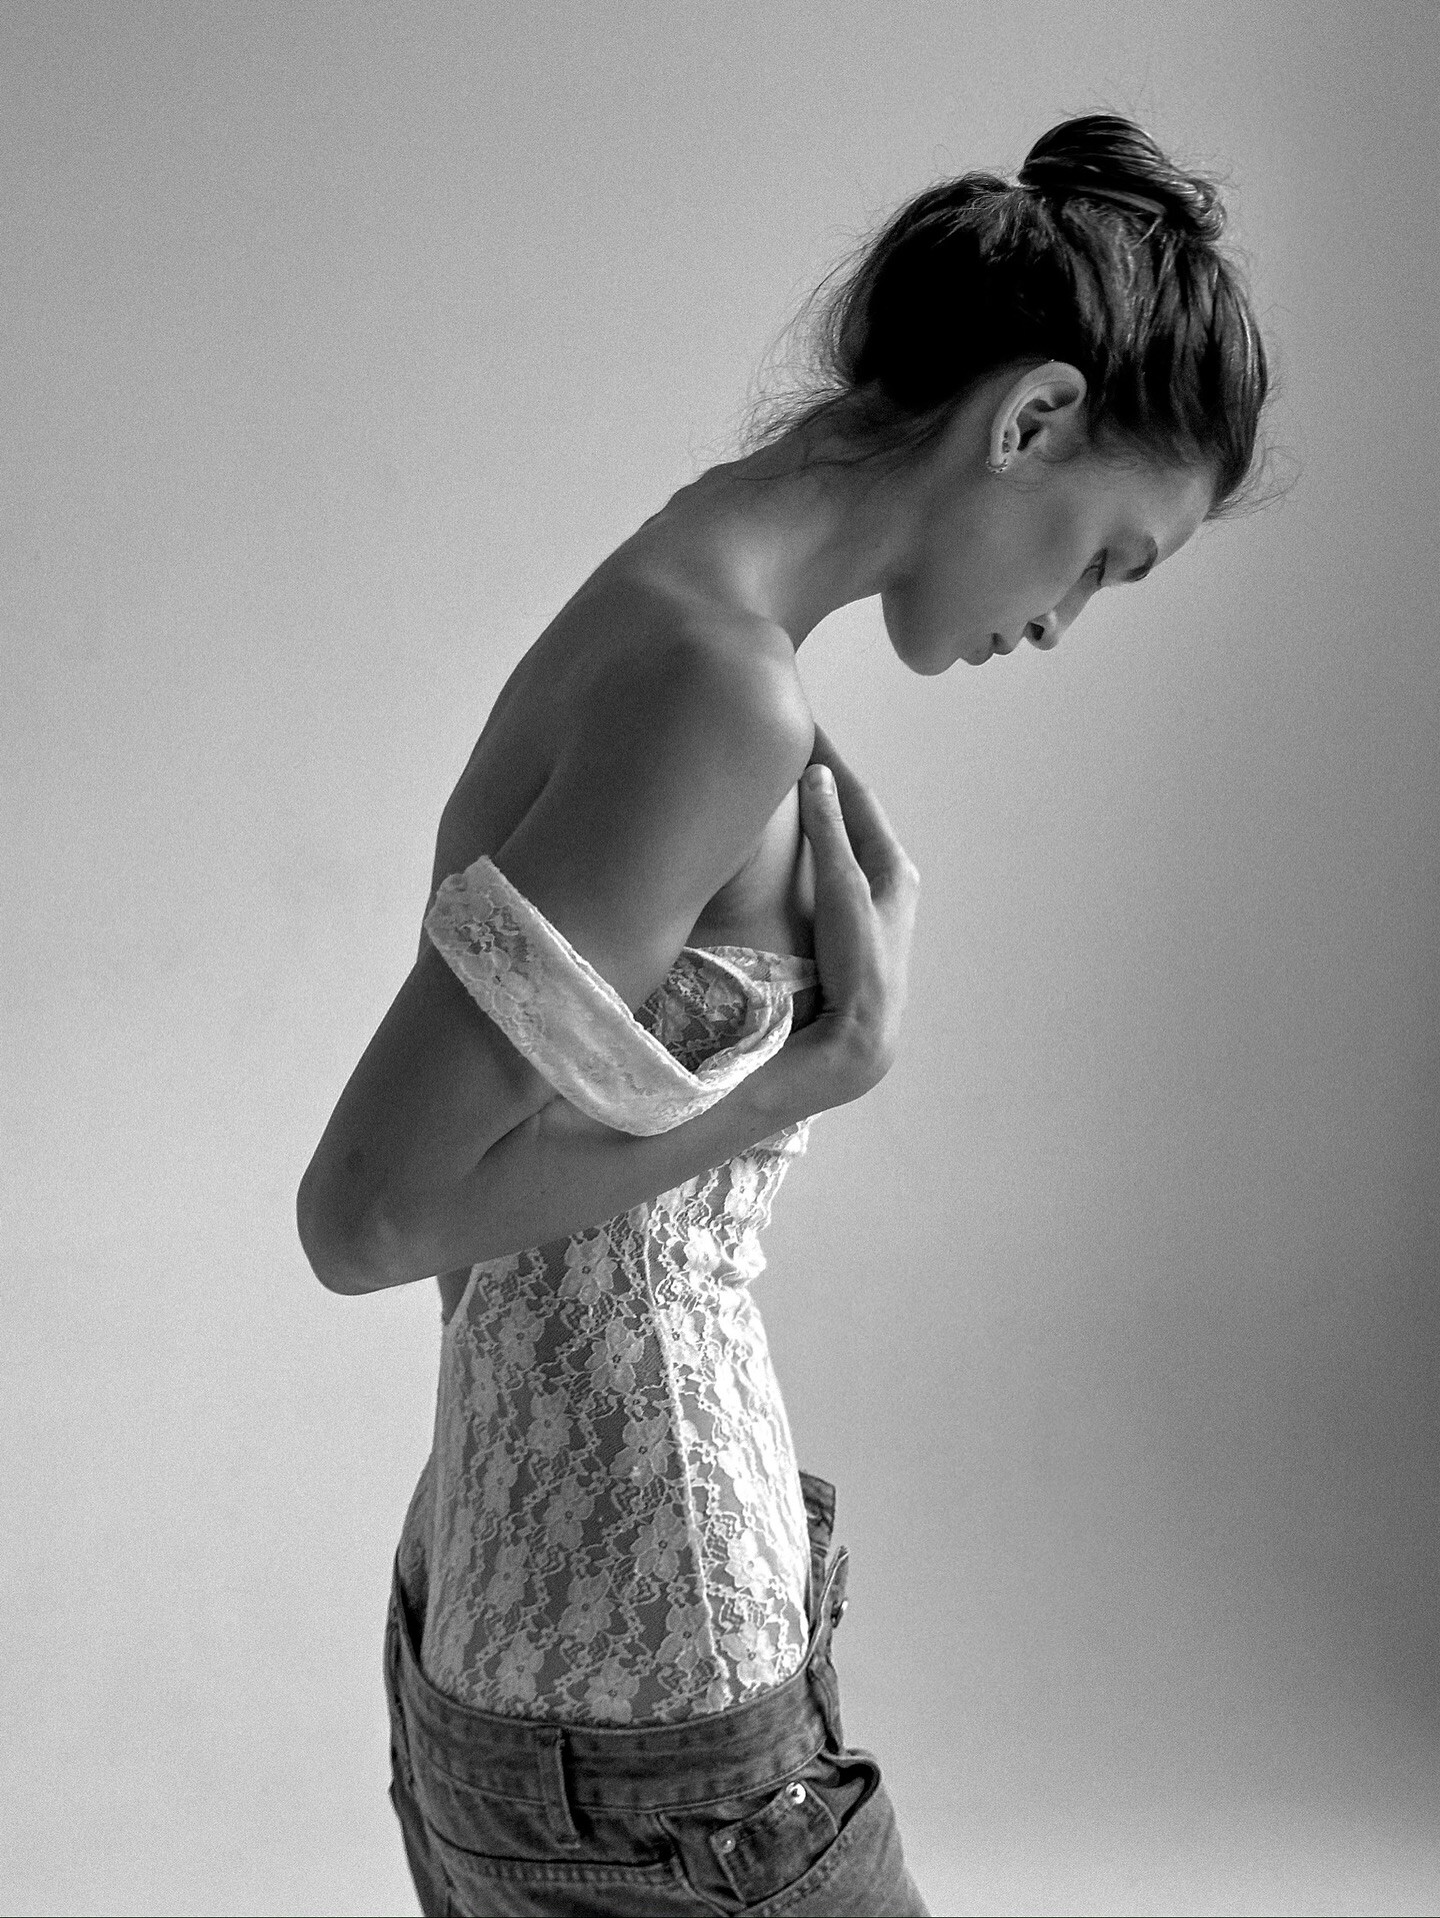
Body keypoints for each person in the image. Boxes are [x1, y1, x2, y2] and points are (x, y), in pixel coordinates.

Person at [297, 112, 1269, 1918]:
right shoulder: (715, 690)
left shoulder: (672, 587)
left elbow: (475, 1200)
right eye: (1107, 559)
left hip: (494, 1643)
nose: (1066, 619)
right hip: (665, 1700)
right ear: (1034, 419)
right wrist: (819, 1068)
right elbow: (366, 1215)